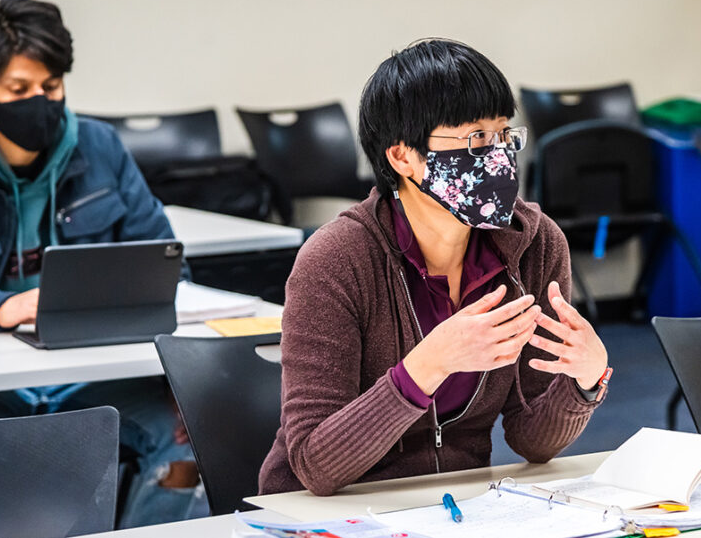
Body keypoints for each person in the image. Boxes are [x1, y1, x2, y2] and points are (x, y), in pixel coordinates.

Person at [0, 0, 205, 527]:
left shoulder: (101, 147)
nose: (38, 102)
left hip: (95, 374)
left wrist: (176, 380)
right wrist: (1, 307)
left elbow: (166, 263)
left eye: (51, 87)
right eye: (18, 91)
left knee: (189, 444)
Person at [259, 39, 611, 496]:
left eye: (504, 133)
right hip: (327, 513)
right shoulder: (336, 260)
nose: (499, 155)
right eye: (476, 138)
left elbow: (531, 439)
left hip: (455, 506)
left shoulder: (536, 244)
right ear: (402, 156)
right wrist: (428, 365)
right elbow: (315, 465)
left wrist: (586, 380)